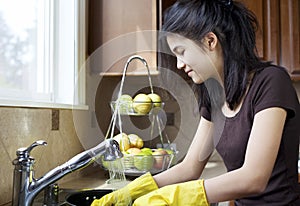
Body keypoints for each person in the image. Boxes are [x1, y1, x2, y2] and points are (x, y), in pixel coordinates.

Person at [92, 0, 300, 205]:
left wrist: (176, 196)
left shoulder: (271, 82)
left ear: (210, 41)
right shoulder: (215, 97)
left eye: (181, 52)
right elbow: (190, 167)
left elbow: (254, 178)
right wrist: (134, 190)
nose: (179, 64)